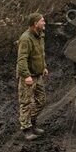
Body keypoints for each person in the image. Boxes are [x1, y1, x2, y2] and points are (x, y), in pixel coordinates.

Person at [17, 12, 49, 141]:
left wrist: (44, 67)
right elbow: (22, 59)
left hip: (38, 74)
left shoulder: (40, 36)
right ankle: (26, 129)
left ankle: (32, 121)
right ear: (35, 24)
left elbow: (40, 54)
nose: (44, 22)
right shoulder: (26, 38)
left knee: (41, 101)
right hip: (29, 76)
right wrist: (26, 76)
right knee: (26, 103)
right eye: (42, 21)